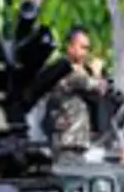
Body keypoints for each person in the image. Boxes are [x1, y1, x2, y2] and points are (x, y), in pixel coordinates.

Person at [44, 25, 108, 159]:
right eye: (82, 47)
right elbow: (99, 88)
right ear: (70, 47)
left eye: (87, 48)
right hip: (68, 141)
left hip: (75, 141)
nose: (85, 53)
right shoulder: (67, 71)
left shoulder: (77, 70)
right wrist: (97, 72)